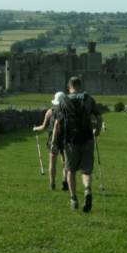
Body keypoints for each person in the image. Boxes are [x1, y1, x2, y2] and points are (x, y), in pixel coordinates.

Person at [52, 76, 103, 213]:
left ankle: (74, 199)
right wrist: (96, 132)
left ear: (69, 87)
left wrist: (54, 141)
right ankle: (87, 190)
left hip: (70, 141)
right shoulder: (88, 99)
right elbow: (99, 118)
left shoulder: (63, 101)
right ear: (80, 86)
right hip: (87, 139)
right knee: (86, 170)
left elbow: (57, 123)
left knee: (70, 170)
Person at [33, 91, 67, 191]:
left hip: (54, 139)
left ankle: (52, 182)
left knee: (53, 161)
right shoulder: (68, 112)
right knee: (65, 161)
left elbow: (44, 126)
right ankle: (64, 179)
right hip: (65, 139)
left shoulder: (50, 111)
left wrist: (36, 129)